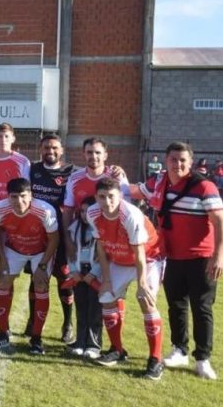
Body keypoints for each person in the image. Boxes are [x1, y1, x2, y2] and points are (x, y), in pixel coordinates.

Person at [133, 141, 223, 380]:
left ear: (191, 162)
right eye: (174, 159)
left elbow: (219, 221)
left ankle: (202, 358)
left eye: (183, 160)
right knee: (176, 304)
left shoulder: (204, 187)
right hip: (172, 257)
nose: (178, 164)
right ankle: (179, 350)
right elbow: (134, 191)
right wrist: (115, 178)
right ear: (166, 161)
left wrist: (218, 257)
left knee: (202, 308)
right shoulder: (159, 182)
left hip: (201, 258)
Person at [89, 178, 166, 380]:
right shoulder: (92, 213)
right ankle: (117, 349)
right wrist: (105, 279)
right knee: (107, 298)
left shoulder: (130, 214)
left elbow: (139, 252)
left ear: (120, 196)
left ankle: (155, 359)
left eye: (111, 196)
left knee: (146, 301)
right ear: (96, 197)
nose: (107, 201)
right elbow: (101, 247)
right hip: (120, 259)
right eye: (102, 197)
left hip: (147, 259)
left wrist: (141, 285)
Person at [0, 178, 59, 353]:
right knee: (3, 281)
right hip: (14, 248)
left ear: (31, 195)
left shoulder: (44, 210)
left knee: (41, 285)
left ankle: (36, 338)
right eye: (14, 197)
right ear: (8, 197)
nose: (19, 201)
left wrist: (42, 267)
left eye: (23, 196)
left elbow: (54, 239)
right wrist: (2, 260)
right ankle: (3, 333)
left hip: (41, 250)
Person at [26, 133, 77, 343]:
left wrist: (114, 170)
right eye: (46, 147)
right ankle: (32, 319)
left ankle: (67, 323)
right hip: (37, 234)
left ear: (61, 150)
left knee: (64, 278)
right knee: (35, 277)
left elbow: (95, 175)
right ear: (41, 150)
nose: (50, 151)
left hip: (62, 233)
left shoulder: (71, 172)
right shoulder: (33, 170)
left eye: (54, 148)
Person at [63, 196, 104, 359]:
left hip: (96, 274)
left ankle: (93, 345)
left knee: (95, 310)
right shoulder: (74, 228)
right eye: (82, 211)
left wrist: (93, 274)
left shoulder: (102, 229)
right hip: (79, 274)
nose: (85, 214)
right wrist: (74, 272)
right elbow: (71, 253)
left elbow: (104, 256)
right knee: (81, 309)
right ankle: (80, 342)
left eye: (90, 211)